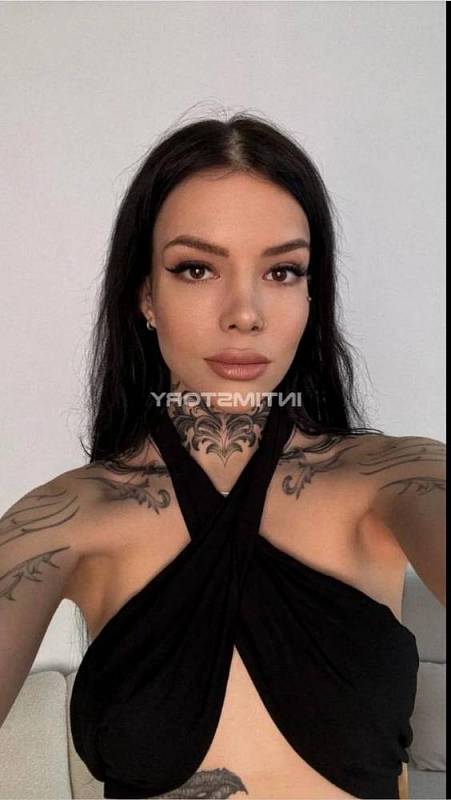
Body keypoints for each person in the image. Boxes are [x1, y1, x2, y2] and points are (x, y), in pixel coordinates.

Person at [0, 111, 445, 800]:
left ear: (310, 294)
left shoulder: (395, 480)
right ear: (145, 295)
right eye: (197, 268)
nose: (244, 312)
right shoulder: (65, 517)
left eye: (282, 270)